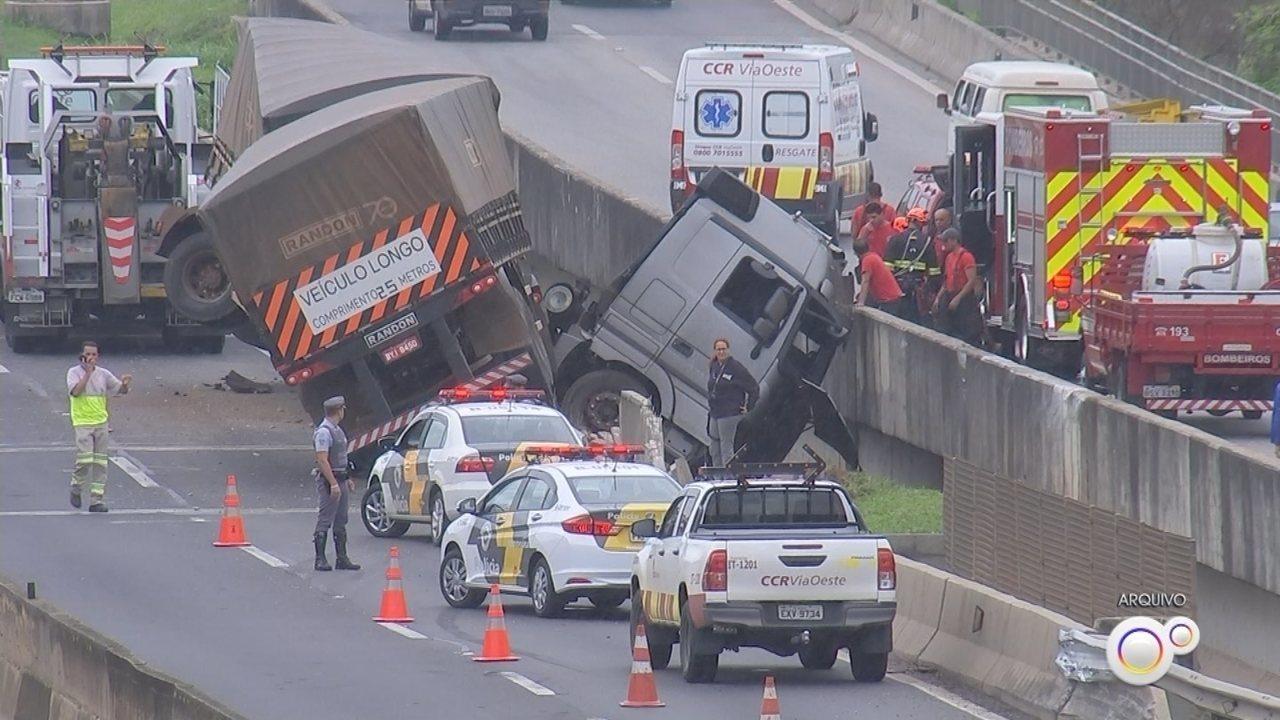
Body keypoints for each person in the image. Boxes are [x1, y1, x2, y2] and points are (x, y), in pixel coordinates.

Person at [66, 341, 132, 512]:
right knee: (85, 459)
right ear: (81, 355)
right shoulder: (73, 373)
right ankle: (77, 486)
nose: (91, 358)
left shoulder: (103, 374)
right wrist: (87, 374)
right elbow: (76, 391)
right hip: (82, 422)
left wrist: (124, 384)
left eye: (94, 355)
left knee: (101, 463)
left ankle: (96, 500)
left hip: (101, 422)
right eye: (88, 354)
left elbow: (120, 390)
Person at [313, 396, 360, 572]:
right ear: (339, 410)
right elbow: (322, 460)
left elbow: (342, 458)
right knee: (325, 518)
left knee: (341, 519)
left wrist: (347, 479)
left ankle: (342, 557)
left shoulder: (337, 430)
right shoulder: (324, 432)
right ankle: (320, 558)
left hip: (340, 478)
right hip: (329, 481)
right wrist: (332, 483)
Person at [707, 338, 759, 466]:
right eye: (718, 349)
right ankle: (717, 475)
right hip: (715, 412)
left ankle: (728, 476)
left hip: (729, 413)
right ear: (715, 351)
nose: (721, 352)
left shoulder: (736, 368)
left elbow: (754, 388)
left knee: (726, 446)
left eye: (723, 349)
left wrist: (749, 406)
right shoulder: (714, 366)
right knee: (714, 446)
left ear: (728, 350)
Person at [885, 207, 939, 324]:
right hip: (918, 290)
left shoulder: (895, 239)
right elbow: (934, 271)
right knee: (917, 322)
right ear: (918, 222)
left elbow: (887, 268)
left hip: (898, 288)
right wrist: (932, 290)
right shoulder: (927, 241)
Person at [933, 228, 984, 346]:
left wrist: (958, 298)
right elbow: (946, 281)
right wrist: (938, 299)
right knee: (947, 329)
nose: (944, 245)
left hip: (965, 300)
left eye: (946, 241)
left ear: (954, 241)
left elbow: (971, 281)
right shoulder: (949, 257)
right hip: (950, 296)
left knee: (967, 333)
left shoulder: (966, 257)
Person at [853, 237, 905, 316]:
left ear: (856, 253)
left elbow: (865, 281)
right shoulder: (874, 256)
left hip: (889, 300)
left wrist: (861, 302)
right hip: (893, 298)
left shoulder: (867, 260)